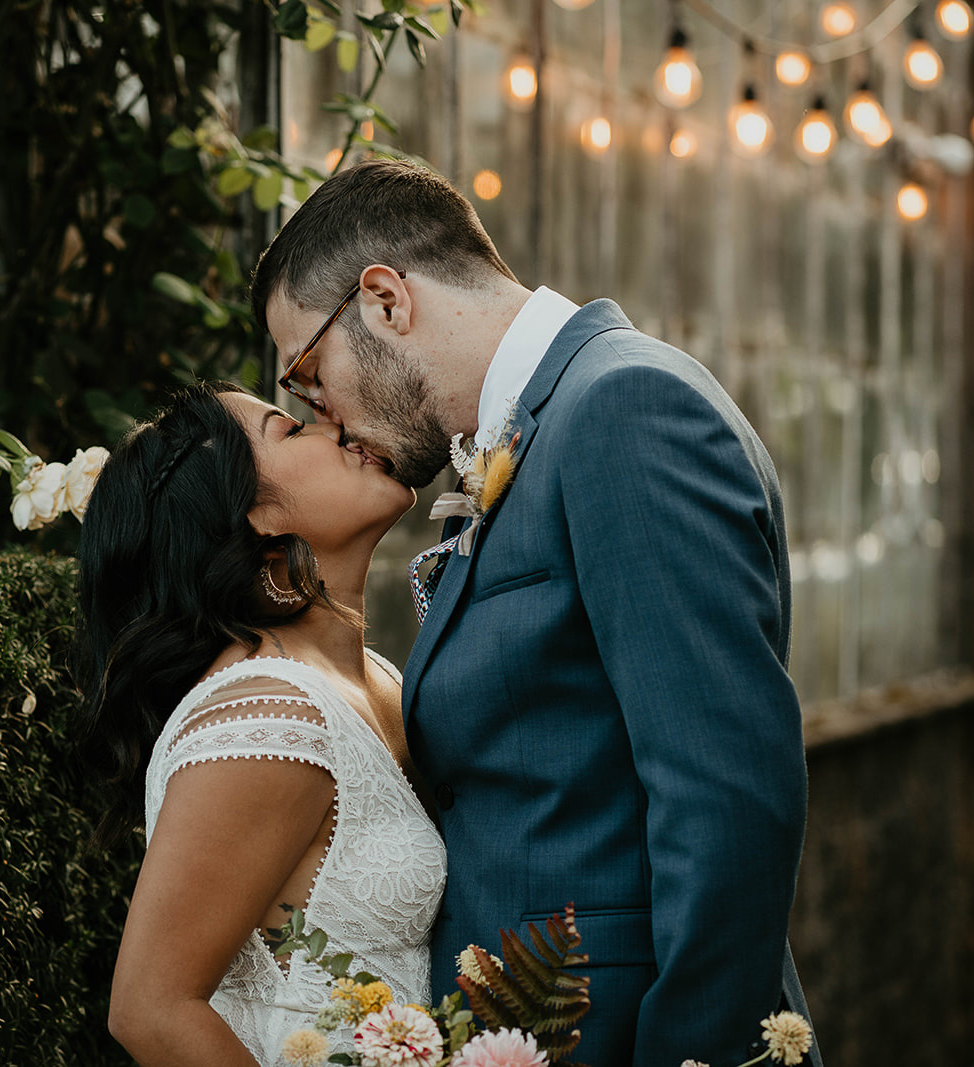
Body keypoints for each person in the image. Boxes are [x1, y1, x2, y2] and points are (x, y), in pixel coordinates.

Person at [249, 157, 821, 1067]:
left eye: (311, 376)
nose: (326, 418)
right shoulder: (540, 432)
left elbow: (728, 794)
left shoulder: (625, 408)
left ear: (386, 299)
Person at [72, 381, 446, 1066]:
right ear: (256, 514)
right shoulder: (264, 719)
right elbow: (150, 1009)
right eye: (290, 428)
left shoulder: (378, 679)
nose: (333, 426)